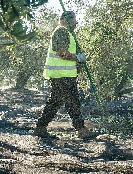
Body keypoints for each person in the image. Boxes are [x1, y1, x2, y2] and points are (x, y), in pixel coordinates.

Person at [34, 11, 97, 139]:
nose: (76, 22)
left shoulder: (68, 33)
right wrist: (78, 58)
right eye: (74, 19)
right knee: (72, 101)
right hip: (62, 75)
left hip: (62, 74)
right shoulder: (61, 31)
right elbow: (61, 52)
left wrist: (79, 57)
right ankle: (81, 130)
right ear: (65, 19)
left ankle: (40, 128)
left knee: (55, 102)